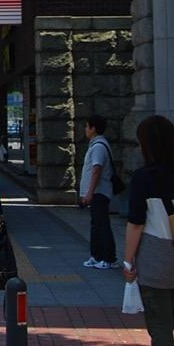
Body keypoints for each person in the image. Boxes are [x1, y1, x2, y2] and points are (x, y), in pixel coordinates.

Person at [121, 114, 174, 346]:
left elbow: (135, 223)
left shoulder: (144, 177)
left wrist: (128, 261)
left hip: (155, 261)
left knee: (160, 327)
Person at [79, 113, 119, 269]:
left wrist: (89, 193)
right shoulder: (97, 145)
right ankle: (96, 256)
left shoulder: (98, 147)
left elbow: (97, 170)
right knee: (96, 224)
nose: (85, 129)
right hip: (97, 192)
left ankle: (109, 257)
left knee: (102, 225)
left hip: (99, 192)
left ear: (93, 128)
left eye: (87, 126)